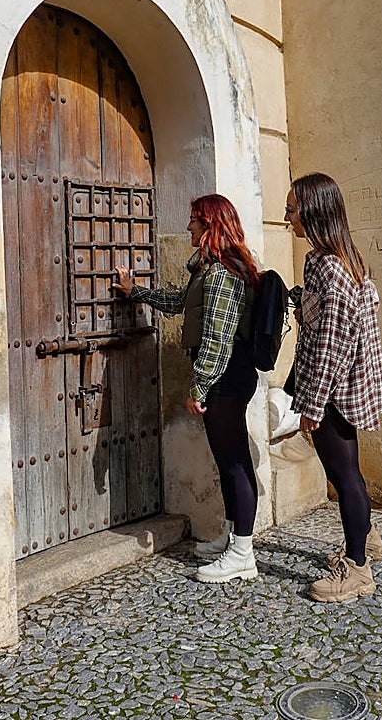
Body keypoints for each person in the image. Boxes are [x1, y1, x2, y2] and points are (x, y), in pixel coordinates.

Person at [112, 194, 261, 584]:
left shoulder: (225, 272)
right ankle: (233, 537)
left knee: (234, 462)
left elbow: (217, 336)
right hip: (223, 377)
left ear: (211, 224)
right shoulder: (207, 269)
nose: (189, 226)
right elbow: (181, 303)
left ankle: (244, 553)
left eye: (195, 220)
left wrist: (200, 386)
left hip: (227, 377)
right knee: (226, 459)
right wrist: (137, 292)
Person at [286, 173, 382, 603]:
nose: (285, 215)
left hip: (334, 390)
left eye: (292, 209)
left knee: (343, 474)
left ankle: (358, 567)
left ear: (312, 211)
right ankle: (367, 540)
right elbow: (331, 317)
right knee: (348, 469)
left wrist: (313, 402)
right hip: (346, 385)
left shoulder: (328, 264)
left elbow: (332, 340)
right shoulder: (340, 257)